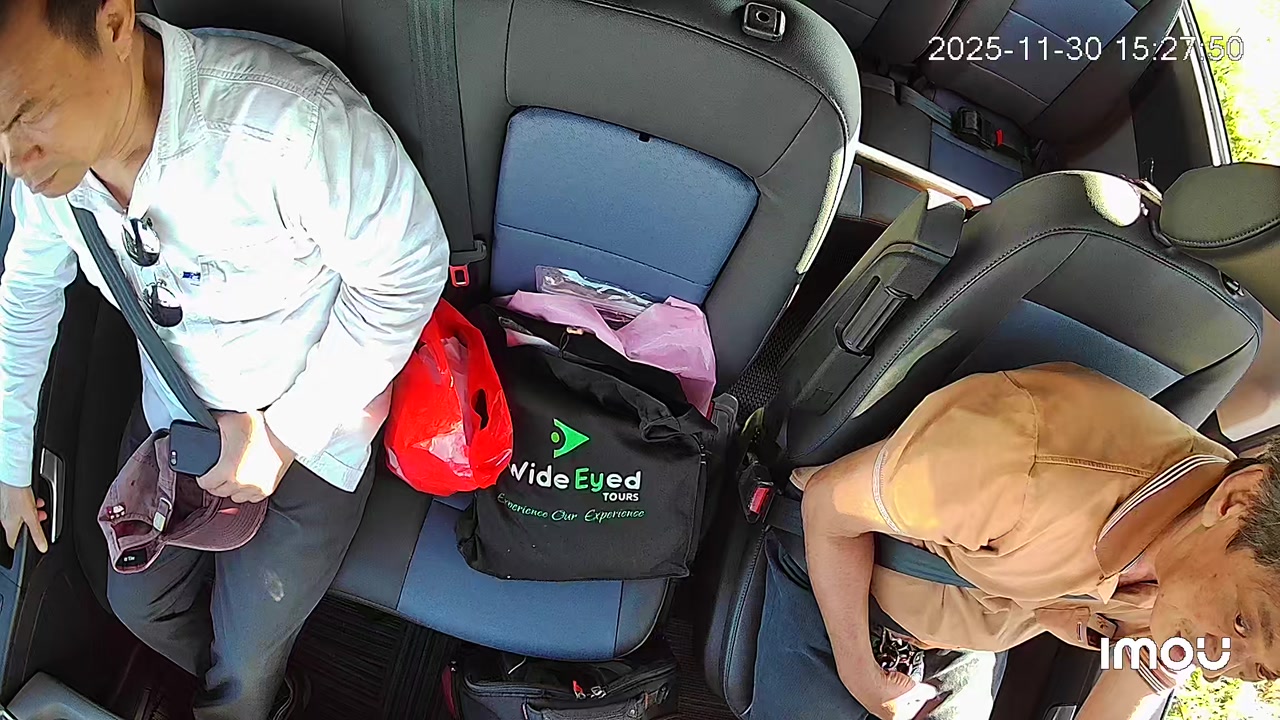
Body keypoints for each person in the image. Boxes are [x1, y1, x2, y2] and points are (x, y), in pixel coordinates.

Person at [0, 1, 448, 718]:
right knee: (134, 603)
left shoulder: (291, 127)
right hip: (177, 420)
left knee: (244, 665)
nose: (14, 162)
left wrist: (284, 436)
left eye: (31, 112)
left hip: (313, 427)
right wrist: (9, 465)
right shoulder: (55, 175)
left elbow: (410, 271)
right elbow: (24, 296)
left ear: (113, 24)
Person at [753, 362, 1280, 720]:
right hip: (836, 578)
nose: (1220, 665)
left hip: (961, 635)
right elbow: (826, 505)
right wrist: (860, 672)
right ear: (1237, 502)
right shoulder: (1018, 466)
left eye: (1260, 671)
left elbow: (1145, 672)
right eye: (1242, 623)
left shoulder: (1200, 571)